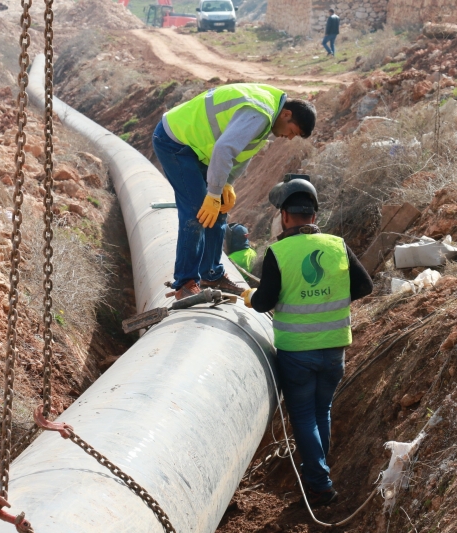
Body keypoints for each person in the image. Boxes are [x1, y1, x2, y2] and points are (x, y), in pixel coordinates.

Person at [241, 174, 373, 507]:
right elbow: (365, 286)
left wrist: (247, 296)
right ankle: (318, 474)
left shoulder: (279, 252)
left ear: (284, 216)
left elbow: (264, 302)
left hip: (297, 352)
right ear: (314, 216)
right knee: (322, 411)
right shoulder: (337, 245)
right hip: (334, 348)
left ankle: (319, 482)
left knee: (302, 416)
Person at [152, 83, 317, 299]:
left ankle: (211, 274)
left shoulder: (268, 116)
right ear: (286, 114)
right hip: (174, 141)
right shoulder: (260, 112)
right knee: (196, 212)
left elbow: (241, 152)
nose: (289, 137)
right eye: (292, 132)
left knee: (218, 209)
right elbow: (224, 149)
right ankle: (185, 282)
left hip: (198, 148)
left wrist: (226, 183)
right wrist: (212, 193)